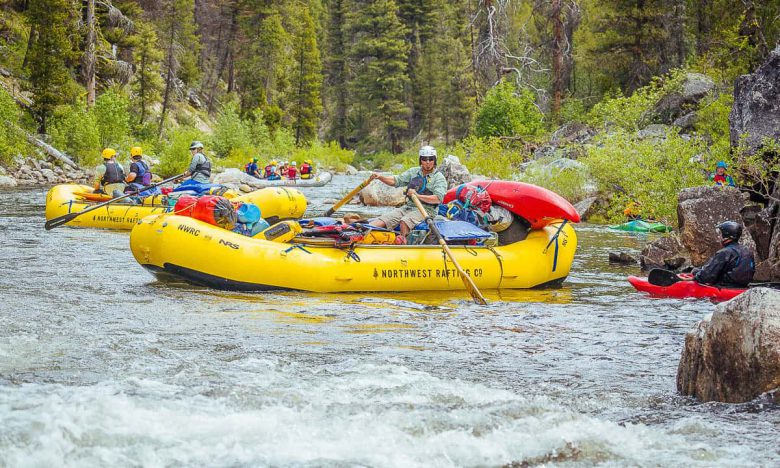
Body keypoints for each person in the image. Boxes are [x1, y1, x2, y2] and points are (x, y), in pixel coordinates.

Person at [368, 145, 447, 243]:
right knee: (383, 220)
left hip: (427, 210)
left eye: (430, 159)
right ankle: (363, 235)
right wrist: (380, 177)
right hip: (408, 207)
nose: (427, 162)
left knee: (404, 221)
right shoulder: (413, 172)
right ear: (420, 160)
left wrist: (417, 196)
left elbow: (438, 199)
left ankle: (403, 243)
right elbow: (396, 181)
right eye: (424, 159)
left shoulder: (439, 178)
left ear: (434, 160)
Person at [692, 221, 755, 287]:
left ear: (726, 235)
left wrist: (696, 275)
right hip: (743, 286)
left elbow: (706, 277)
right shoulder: (747, 251)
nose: (719, 236)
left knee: (695, 271)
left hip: (725, 287)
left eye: (721, 233)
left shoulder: (724, 253)